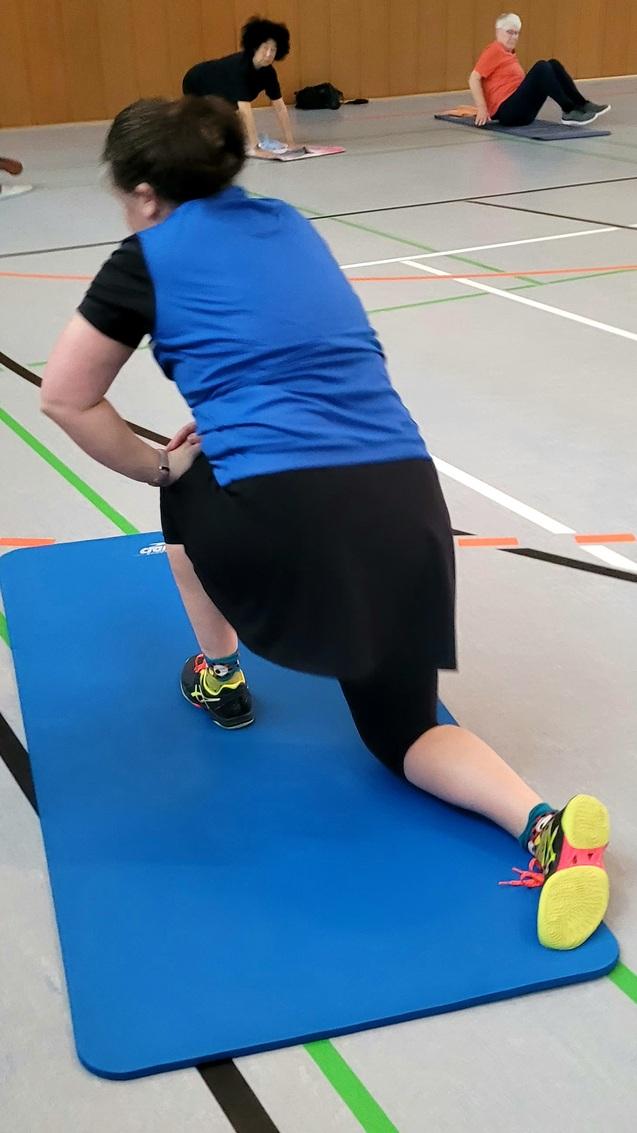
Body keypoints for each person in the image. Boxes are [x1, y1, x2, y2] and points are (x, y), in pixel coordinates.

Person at [40, 95, 611, 953]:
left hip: (281, 516)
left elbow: (65, 396)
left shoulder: (146, 257)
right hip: (408, 505)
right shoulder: (285, 221)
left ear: (147, 194)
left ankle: (218, 670)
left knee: (178, 477)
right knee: (402, 729)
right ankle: (543, 824)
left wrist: (161, 463)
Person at [469, 12, 610, 128]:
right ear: (498, 31)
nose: (513, 37)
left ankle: (581, 104)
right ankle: (568, 110)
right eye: (509, 32)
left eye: (516, 33)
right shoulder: (494, 50)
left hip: (522, 113)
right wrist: (482, 108)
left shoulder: (509, 53)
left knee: (552, 64)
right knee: (542, 67)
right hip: (508, 113)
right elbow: (474, 78)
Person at [182, 16, 296, 158]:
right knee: (205, 125)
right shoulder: (241, 69)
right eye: (265, 48)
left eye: (273, 50)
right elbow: (245, 111)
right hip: (197, 81)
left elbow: (279, 106)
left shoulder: (269, 73)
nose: (268, 54)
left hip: (224, 92)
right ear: (255, 47)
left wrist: (290, 142)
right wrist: (255, 148)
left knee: (225, 124)